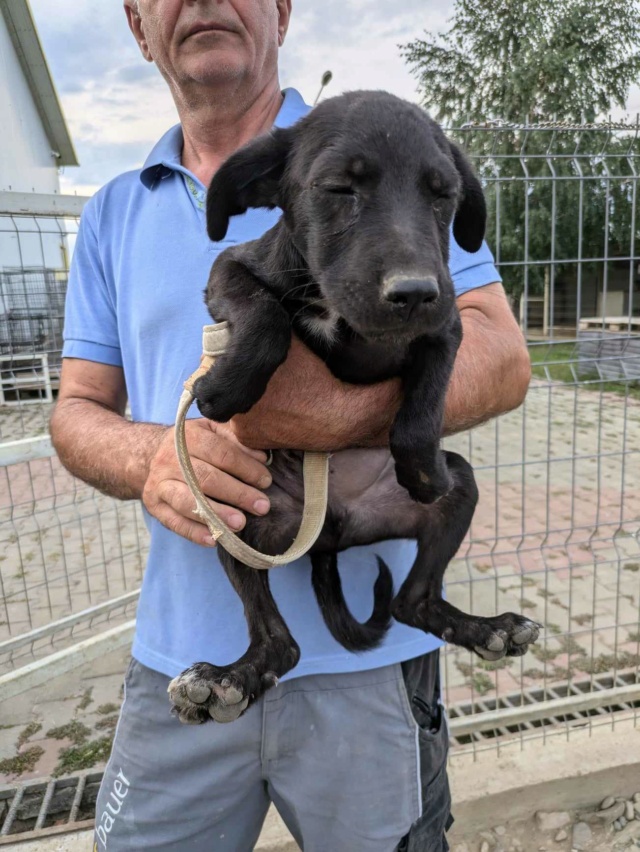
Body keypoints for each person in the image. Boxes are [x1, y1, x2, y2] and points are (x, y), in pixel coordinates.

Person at [50, 1, 531, 850]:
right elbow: (75, 412)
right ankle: (258, 650)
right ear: (134, 22)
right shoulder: (112, 212)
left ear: (280, 11)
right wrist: (150, 457)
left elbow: (503, 356)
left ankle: (423, 605)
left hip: (370, 683)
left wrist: (336, 418)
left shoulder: (388, 145)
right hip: (183, 662)